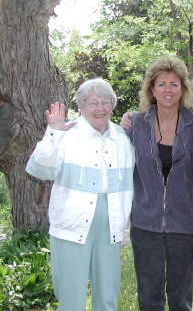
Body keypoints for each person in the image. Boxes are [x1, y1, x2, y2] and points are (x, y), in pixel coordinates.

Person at [26, 78, 135, 311]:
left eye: (106, 102)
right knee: (70, 296)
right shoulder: (66, 134)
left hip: (111, 223)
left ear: (112, 106)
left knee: (107, 295)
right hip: (71, 224)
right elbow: (38, 169)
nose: (100, 108)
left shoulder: (122, 138)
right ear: (82, 107)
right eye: (93, 103)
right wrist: (53, 133)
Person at [125, 56, 193, 311]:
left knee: (181, 300)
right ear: (152, 89)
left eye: (174, 84)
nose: (168, 90)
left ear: (183, 89)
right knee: (149, 299)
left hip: (186, 226)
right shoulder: (135, 125)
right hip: (145, 224)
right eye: (162, 84)